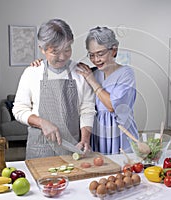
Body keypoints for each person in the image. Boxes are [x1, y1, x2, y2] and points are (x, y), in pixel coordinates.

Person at [31, 26, 138, 155]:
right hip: (96, 136)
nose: (96, 59)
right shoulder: (91, 71)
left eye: (100, 54)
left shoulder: (126, 73)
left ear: (114, 50)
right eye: (91, 55)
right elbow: (63, 69)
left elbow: (112, 105)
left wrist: (91, 80)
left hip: (119, 135)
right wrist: (41, 64)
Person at [12, 19, 96, 159]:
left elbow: (87, 109)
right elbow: (19, 109)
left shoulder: (80, 72)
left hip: (73, 148)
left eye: (67, 49)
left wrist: (85, 139)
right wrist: (41, 122)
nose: (62, 57)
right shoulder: (32, 72)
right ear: (42, 49)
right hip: (40, 148)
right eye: (55, 52)